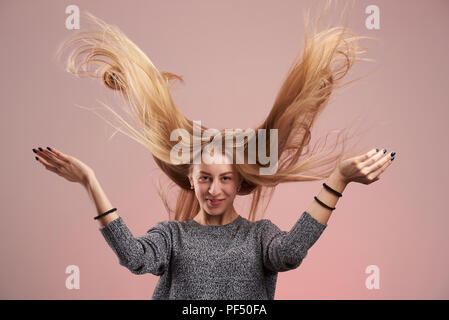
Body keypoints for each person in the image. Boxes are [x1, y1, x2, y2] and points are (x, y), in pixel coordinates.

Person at [34, 3, 397, 299]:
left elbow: (290, 253)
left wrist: (339, 179)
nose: (214, 189)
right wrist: (89, 181)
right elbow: (134, 258)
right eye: (205, 178)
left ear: (240, 183)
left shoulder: (259, 237)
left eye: (225, 178)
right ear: (191, 180)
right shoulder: (171, 236)